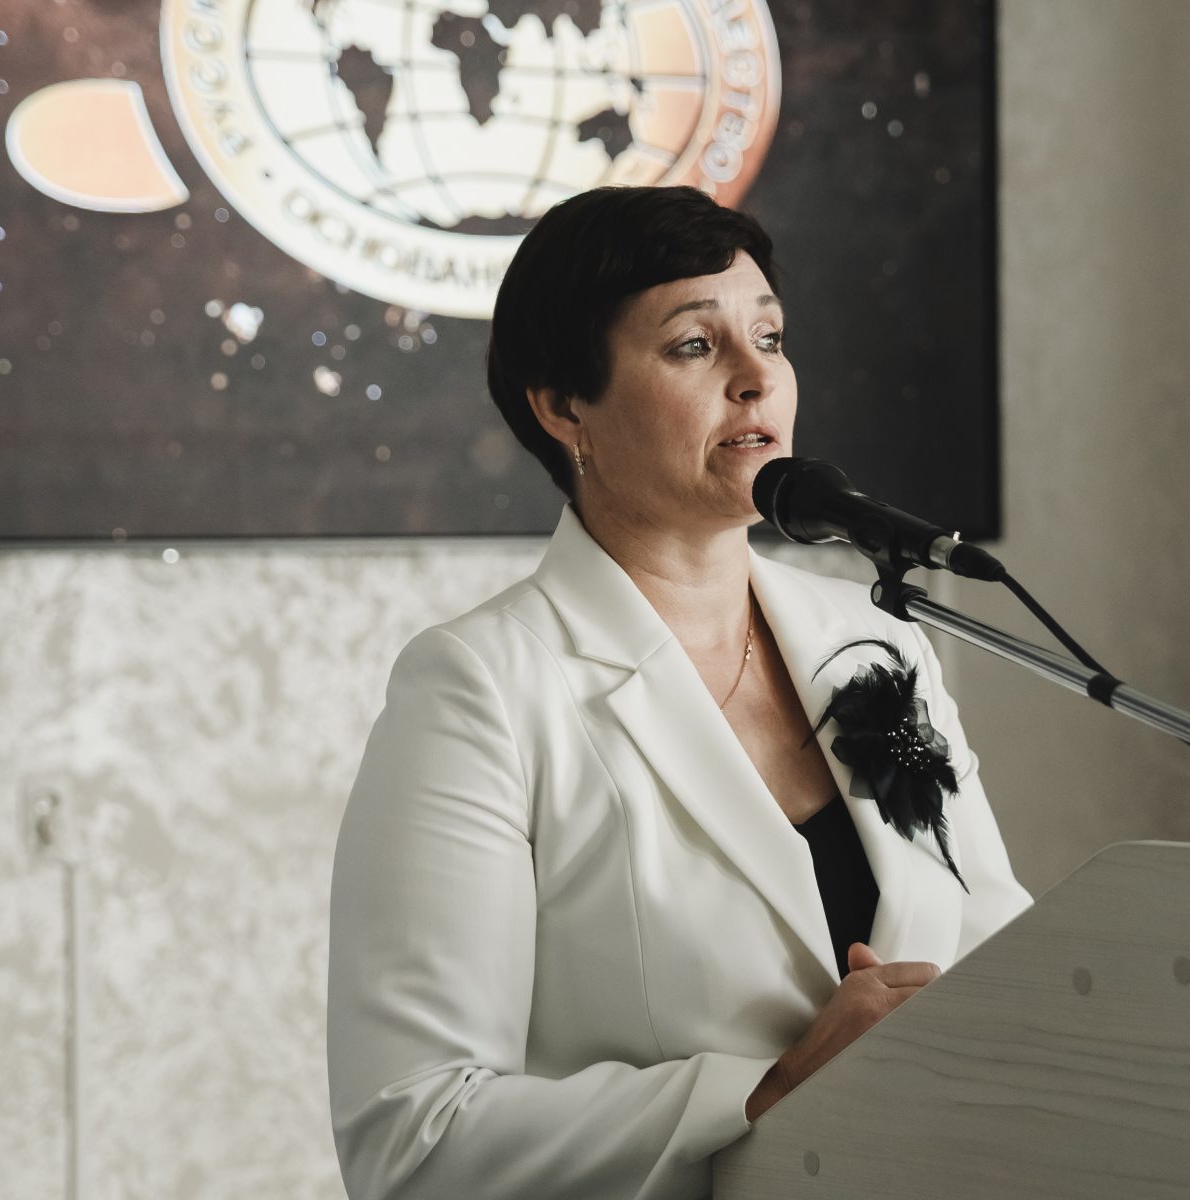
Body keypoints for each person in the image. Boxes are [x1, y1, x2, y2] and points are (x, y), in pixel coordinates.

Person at [326, 186, 1032, 1200]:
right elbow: (413, 1139)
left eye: (770, 337)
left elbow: (1001, 962)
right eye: (695, 346)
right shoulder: (479, 690)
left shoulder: (878, 644)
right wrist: (769, 1093)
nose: (757, 378)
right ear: (563, 407)